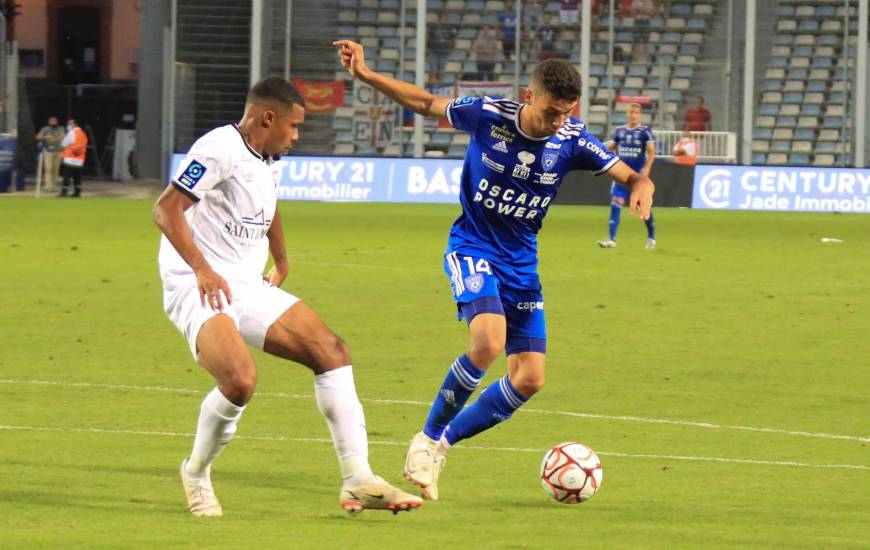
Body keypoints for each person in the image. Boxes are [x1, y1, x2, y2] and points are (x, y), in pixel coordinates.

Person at [333, 40, 654, 501]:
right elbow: (425, 102)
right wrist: (366, 75)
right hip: (472, 246)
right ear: (528, 96)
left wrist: (643, 186)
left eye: (565, 112)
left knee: (530, 378)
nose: (556, 122)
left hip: (522, 263)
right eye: (549, 112)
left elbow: (632, 176)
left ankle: (442, 446)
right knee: (487, 342)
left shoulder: (572, 140)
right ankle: (424, 439)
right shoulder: (488, 115)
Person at [152, 77, 422, 517]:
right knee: (240, 380)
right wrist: (202, 269)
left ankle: (357, 480)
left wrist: (281, 257)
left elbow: (269, 204)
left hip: (246, 282)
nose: (296, 136)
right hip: (198, 282)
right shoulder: (218, 148)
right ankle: (196, 473)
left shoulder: (269, 157)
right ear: (267, 117)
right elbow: (166, 209)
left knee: (331, 351)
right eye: (293, 127)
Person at [597, 103, 657, 249]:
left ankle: (651, 237)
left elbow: (651, 152)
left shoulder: (645, 131)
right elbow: (611, 147)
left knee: (643, 208)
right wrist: (597, 150)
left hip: (637, 178)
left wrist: (647, 168)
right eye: (631, 112)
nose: (634, 114)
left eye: (637, 112)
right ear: (627, 114)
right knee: (616, 203)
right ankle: (612, 239)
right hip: (621, 176)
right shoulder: (620, 131)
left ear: (640, 115)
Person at [36, 116, 65, 193]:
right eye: (51, 121)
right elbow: (38, 137)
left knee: (56, 169)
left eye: (54, 121)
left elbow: (63, 136)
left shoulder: (61, 128)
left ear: (57, 121)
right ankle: (48, 186)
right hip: (48, 151)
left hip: (58, 151)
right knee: (48, 168)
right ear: (49, 122)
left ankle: (54, 186)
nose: (53, 122)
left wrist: (53, 139)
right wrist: (46, 137)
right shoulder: (45, 129)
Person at [60, 118, 88, 197]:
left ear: (74, 124)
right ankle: (77, 192)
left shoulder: (72, 132)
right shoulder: (83, 134)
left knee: (67, 176)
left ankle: (64, 192)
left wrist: (63, 139)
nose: (68, 126)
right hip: (80, 160)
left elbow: (64, 144)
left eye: (70, 124)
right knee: (77, 177)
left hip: (70, 159)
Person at [427, 12, 457, 85]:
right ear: (439, 18)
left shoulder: (450, 28)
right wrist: (427, 47)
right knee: (432, 69)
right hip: (434, 52)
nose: (445, 19)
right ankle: (431, 84)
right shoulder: (433, 27)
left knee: (441, 70)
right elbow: (427, 36)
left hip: (445, 52)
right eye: (443, 18)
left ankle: (439, 84)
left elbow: (454, 38)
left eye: (446, 18)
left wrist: (453, 48)